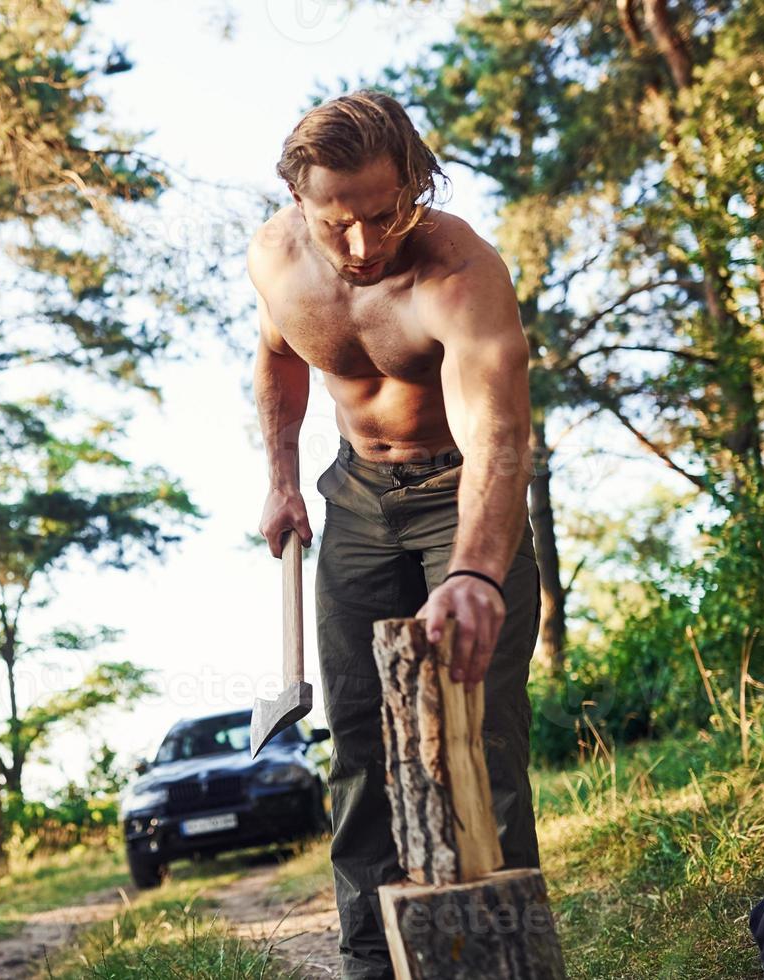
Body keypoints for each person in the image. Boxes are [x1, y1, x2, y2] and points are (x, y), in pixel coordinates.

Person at [249, 90, 543, 980]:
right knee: (358, 739)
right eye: (337, 223)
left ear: (415, 180)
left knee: (480, 736)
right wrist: (281, 480)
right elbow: (275, 357)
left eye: (384, 215)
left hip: (460, 493)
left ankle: (506, 956)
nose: (364, 245)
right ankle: (371, 960)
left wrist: (478, 575)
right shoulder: (275, 260)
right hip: (357, 504)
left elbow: (499, 438)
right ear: (300, 203)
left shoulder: (460, 274)